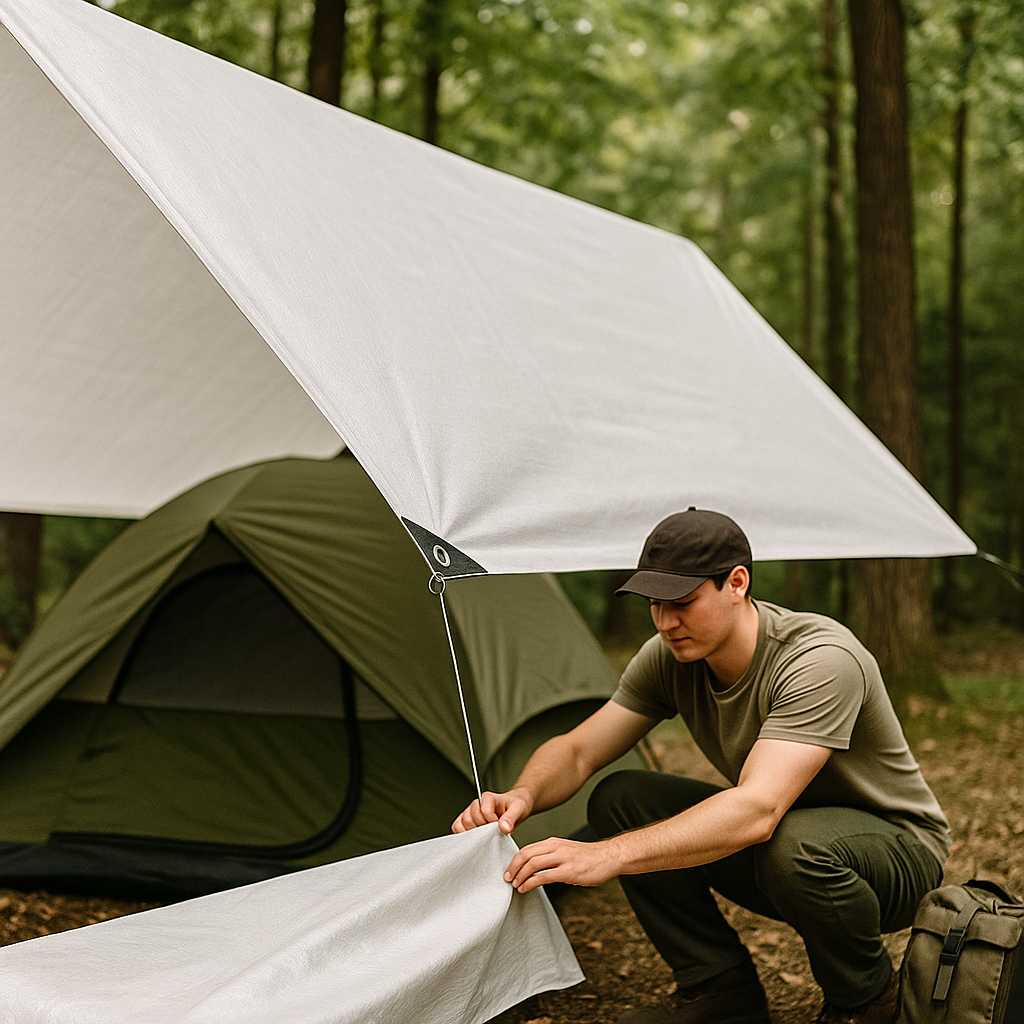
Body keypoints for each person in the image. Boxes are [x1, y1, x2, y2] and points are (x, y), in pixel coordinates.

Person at [452, 508, 949, 1024]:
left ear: (736, 584)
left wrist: (608, 855)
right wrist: (524, 795)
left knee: (790, 840)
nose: (666, 622)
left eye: (683, 603)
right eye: (655, 605)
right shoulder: (670, 655)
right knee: (621, 798)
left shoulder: (819, 659)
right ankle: (719, 989)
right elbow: (579, 750)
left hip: (895, 855)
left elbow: (758, 809)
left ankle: (866, 1000)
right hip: (783, 848)